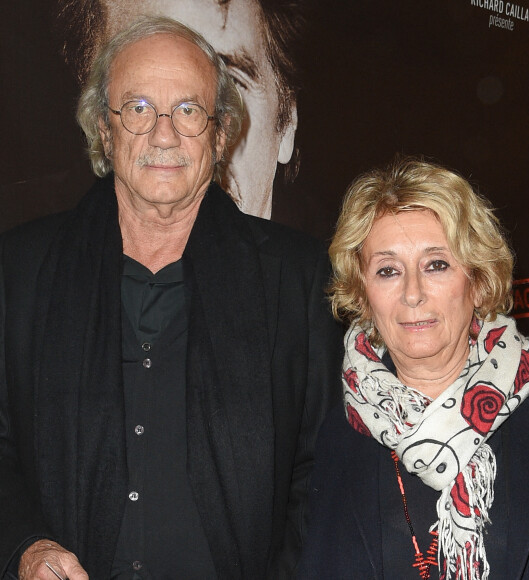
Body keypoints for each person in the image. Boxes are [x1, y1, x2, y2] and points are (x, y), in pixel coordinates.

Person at [0, 16, 343, 580]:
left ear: (220, 132)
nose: (164, 134)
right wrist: (24, 548)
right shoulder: (19, 273)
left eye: (188, 110)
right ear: (104, 132)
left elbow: (324, 473)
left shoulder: (299, 279)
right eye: (137, 108)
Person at [297, 156, 529, 579]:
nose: (413, 293)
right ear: (363, 294)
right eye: (388, 270)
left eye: (436, 265)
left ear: (479, 282)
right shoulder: (339, 433)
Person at [54, 0, 305, 219]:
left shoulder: (319, 270)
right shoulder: (30, 262)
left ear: (287, 123)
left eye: (230, 85)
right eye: (139, 102)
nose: (168, 137)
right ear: (98, 124)